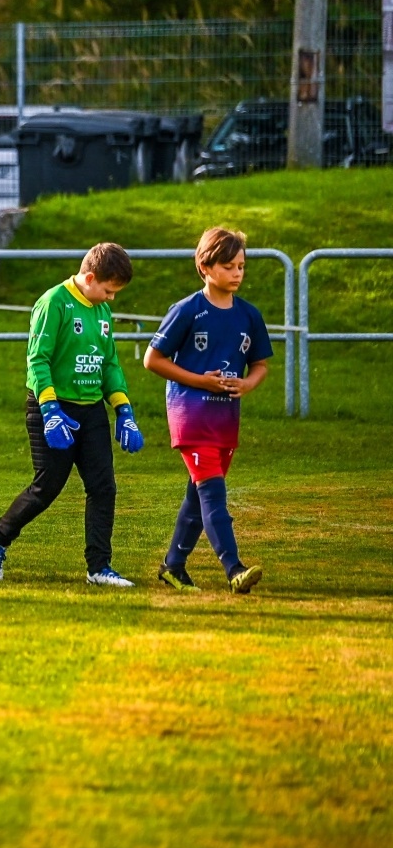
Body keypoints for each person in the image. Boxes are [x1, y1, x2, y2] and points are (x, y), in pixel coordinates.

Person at [0, 243, 144, 587]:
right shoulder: (54, 302)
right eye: (109, 290)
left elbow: (109, 364)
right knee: (48, 486)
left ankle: (98, 568)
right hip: (50, 409)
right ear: (90, 277)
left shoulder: (102, 313)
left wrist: (124, 410)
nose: (111, 298)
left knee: (103, 487)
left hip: (91, 408)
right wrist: (50, 410)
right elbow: (37, 360)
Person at [144, 227, 270, 594]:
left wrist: (247, 384)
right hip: (191, 414)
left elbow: (260, 364)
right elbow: (153, 360)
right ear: (205, 266)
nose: (237, 273)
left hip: (225, 418)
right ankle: (235, 569)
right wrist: (200, 380)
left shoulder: (249, 315)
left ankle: (173, 566)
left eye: (241, 266)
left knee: (197, 497)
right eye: (228, 266)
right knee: (213, 494)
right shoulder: (187, 310)